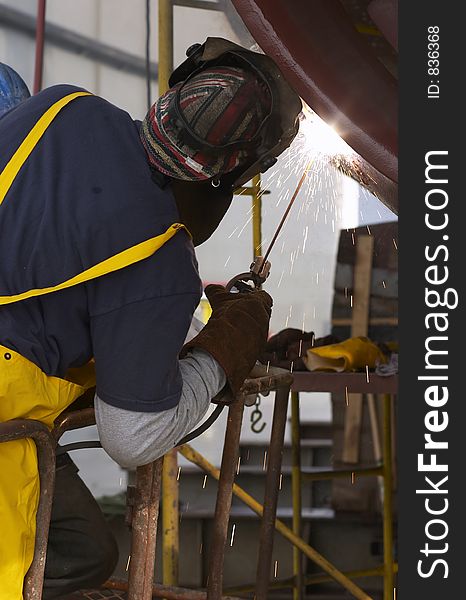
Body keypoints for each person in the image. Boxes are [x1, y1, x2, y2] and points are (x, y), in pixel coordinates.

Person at [0, 37, 302, 598]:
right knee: (36, 566)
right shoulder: (158, 258)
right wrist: (219, 356)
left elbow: (76, 276)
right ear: (224, 176)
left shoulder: (65, 107)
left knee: (88, 549)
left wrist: (191, 330)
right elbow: (133, 436)